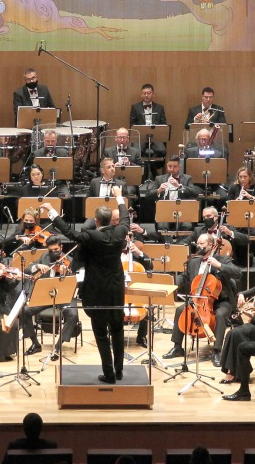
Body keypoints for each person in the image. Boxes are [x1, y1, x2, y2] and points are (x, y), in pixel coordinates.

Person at [42, 192, 129, 384]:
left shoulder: (91, 236)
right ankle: (119, 370)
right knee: (117, 330)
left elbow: (69, 233)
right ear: (109, 220)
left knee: (100, 334)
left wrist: (52, 212)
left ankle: (108, 373)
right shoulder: (120, 231)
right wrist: (119, 197)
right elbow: (125, 217)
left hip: (97, 292)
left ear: (96, 221)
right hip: (116, 291)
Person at [164, 232, 242, 366]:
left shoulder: (222, 259)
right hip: (198, 299)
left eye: (202, 244)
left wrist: (219, 265)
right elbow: (184, 276)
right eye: (197, 243)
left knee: (220, 314)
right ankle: (177, 347)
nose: (198, 246)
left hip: (220, 300)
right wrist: (172, 284)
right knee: (180, 310)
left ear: (211, 245)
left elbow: (238, 273)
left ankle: (217, 351)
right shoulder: (194, 261)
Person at [20, 235, 80, 360]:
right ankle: (35, 344)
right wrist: (37, 266)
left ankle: (58, 347)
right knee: (25, 311)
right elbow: (27, 269)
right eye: (51, 250)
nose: (54, 252)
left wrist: (66, 274)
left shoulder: (69, 260)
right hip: (46, 296)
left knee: (73, 315)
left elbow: (76, 282)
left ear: (61, 247)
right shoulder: (44, 257)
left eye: (57, 250)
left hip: (64, 297)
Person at [218, 263, 255, 383]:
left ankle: (239, 373)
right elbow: (245, 292)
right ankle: (233, 371)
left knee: (237, 334)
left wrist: (252, 314)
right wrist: (241, 295)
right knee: (231, 333)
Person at [130, 83, 168, 175]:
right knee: (136, 152)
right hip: (141, 137)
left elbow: (164, 124)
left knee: (162, 150)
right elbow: (132, 124)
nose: (146, 95)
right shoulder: (135, 107)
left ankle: (150, 169)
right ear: (141, 94)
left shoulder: (160, 108)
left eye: (149, 93)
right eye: (144, 93)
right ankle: (147, 172)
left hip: (156, 137)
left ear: (153, 94)